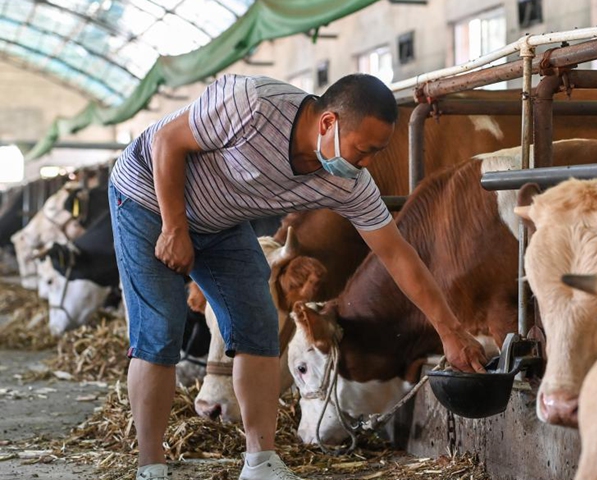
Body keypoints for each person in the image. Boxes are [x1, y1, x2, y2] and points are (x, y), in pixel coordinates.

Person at [108, 73, 488, 480]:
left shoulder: (349, 183)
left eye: (376, 152)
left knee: (258, 324)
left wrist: (450, 331)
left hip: (220, 219)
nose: (367, 163)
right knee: (161, 327)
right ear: (328, 123)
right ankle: (151, 466)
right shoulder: (251, 103)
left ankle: (260, 463)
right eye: (363, 149)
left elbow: (397, 254)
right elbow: (167, 140)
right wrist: (174, 228)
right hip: (148, 196)